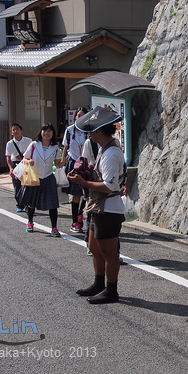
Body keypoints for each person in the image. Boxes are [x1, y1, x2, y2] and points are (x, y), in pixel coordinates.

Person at [68, 107, 127, 304]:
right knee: (94, 246)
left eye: (92, 131)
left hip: (109, 208)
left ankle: (111, 290)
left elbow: (110, 186)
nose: (90, 135)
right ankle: (98, 282)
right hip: (99, 206)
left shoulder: (110, 153)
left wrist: (83, 182)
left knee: (109, 253)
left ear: (100, 131)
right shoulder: (106, 147)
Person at [19, 123, 63, 237]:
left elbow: (57, 164)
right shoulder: (34, 145)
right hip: (34, 177)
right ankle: (30, 222)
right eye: (44, 130)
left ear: (53, 134)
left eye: (49, 131)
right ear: (41, 132)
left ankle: (54, 227)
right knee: (31, 202)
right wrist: (29, 162)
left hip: (48, 177)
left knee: (53, 204)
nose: (46, 133)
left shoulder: (55, 147)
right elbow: (25, 158)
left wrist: (64, 162)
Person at [61, 107, 89, 233]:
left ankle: (80, 213)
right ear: (75, 117)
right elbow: (66, 147)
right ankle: (75, 221)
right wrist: (62, 163)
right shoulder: (69, 130)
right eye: (78, 115)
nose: (80, 117)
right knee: (76, 193)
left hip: (86, 164)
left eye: (83, 115)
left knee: (86, 193)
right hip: (74, 163)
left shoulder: (89, 131)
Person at [5, 123, 32, 212]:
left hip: (27, 164)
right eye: (13, 130)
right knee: (17, 186)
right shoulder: (10, 143)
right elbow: (8, 157)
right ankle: (19, 204)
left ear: (21, 131)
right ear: (11, 132)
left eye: (17, 129)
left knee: (27, 184)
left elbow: (32, 153)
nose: (15, 131)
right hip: (16, 165)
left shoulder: (29, 141)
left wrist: (24, 157)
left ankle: (28, 205)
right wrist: (10, 168)